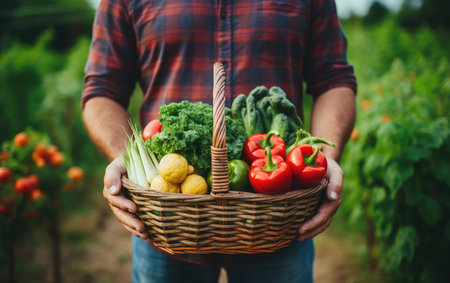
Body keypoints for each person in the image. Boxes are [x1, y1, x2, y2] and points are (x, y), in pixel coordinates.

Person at [82, 0, 356, 282]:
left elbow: (333, 79)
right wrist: (124, 157)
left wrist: (325, 158)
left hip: (279, 218)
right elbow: (102, 89)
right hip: (165, 221)